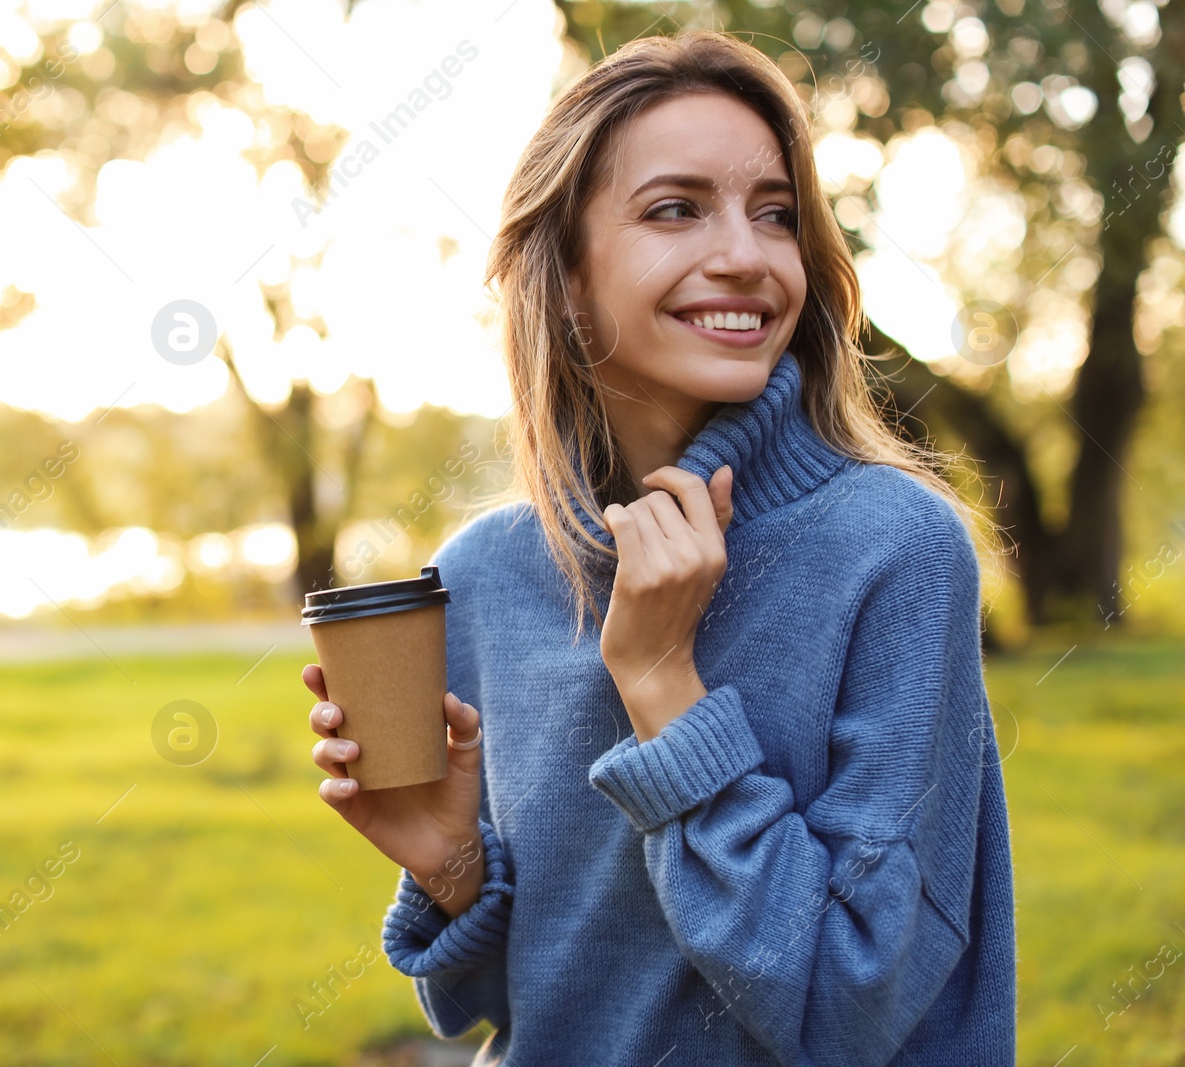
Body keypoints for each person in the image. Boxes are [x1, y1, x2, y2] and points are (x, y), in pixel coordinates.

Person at [303, 28, 1016, 1066]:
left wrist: (660, 681)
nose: (744, 253)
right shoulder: (483, 574)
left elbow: (846, 1011)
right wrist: (453, 867)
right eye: (675, 208)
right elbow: (497, 1005)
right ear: (567, 271)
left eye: (774, 213)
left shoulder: (893, 550)